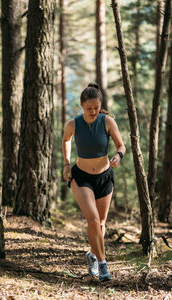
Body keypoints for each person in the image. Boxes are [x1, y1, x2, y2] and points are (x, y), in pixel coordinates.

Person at [62, 83, 126, 282]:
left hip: (104, 177)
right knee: (93, 220)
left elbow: (121, 145)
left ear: (100, 106)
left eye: (96, 108)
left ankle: (93, 255)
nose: (93, 111)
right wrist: (66, 164)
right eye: (89, 108)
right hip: (81, 177)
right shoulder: (73, 124)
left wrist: (118, 156)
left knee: (101, 223)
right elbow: (65, 140)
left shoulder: (107, 121)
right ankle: (103, 264)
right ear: (82, 106)